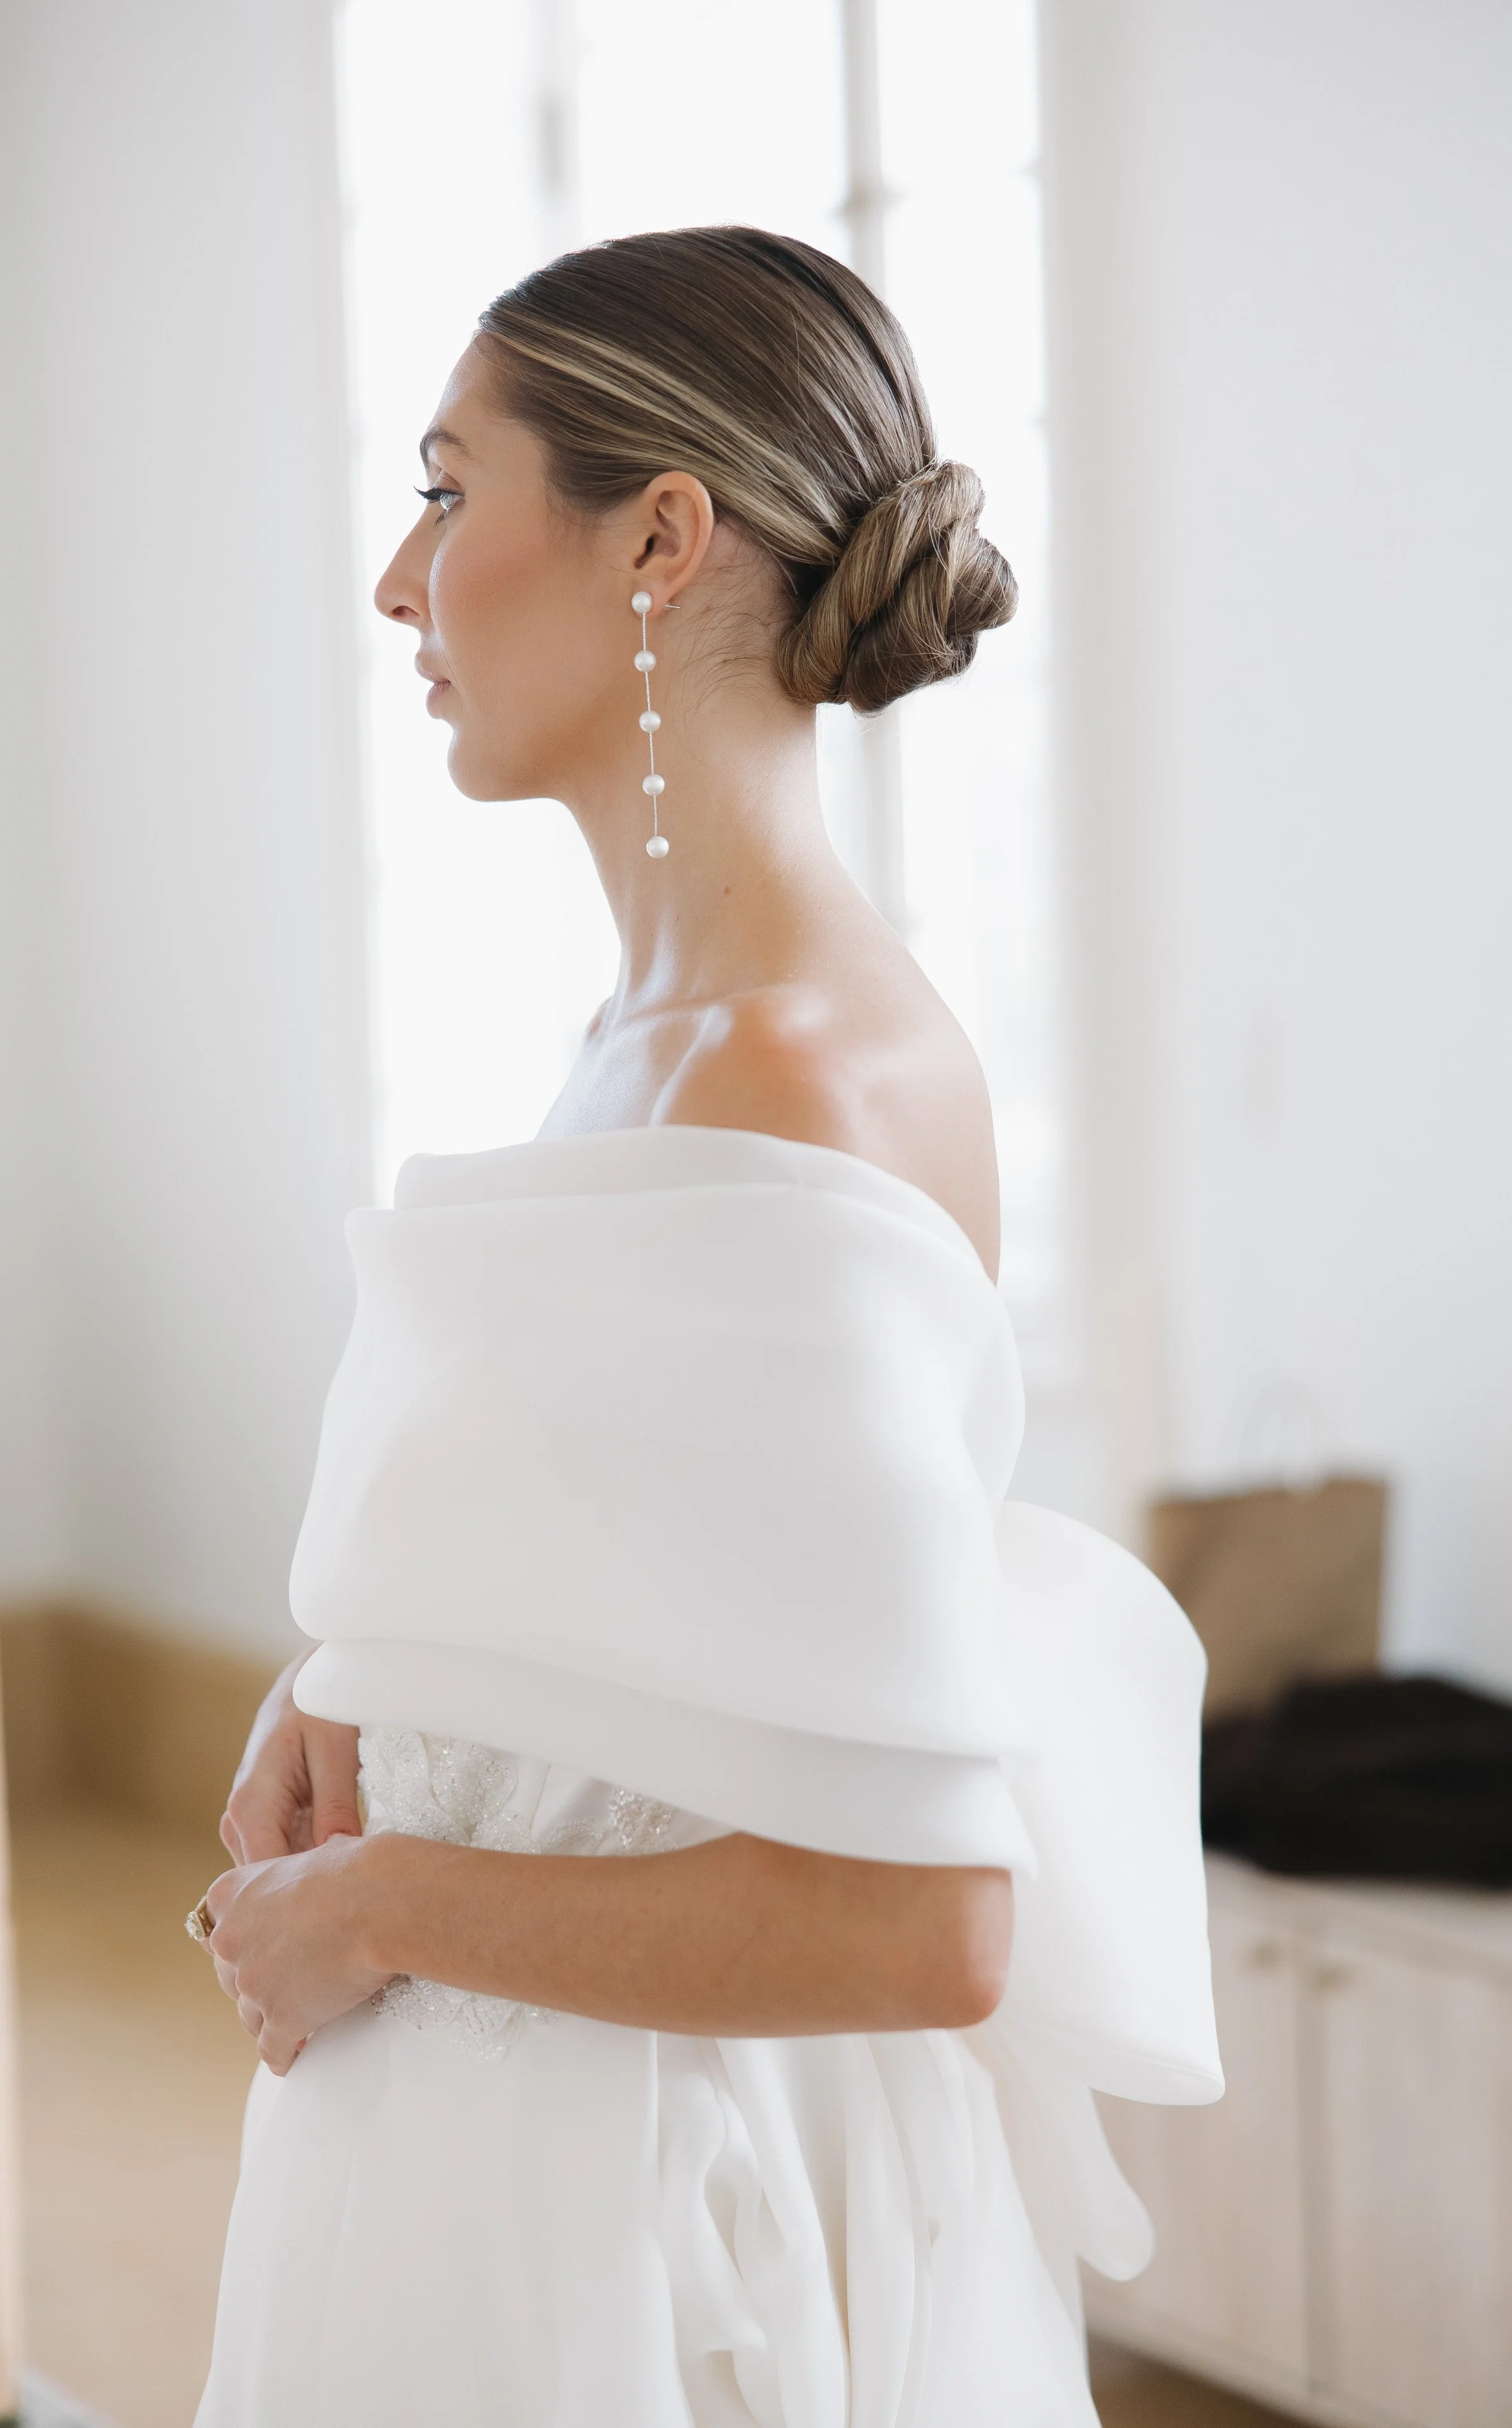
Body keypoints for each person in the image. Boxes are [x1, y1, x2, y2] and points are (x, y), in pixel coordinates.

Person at [192, 225, 1221, 2427]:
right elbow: (651, 1588)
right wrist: (349, 1682)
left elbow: (918, 1924)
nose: (399, 579)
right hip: (501, 2166)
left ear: (658, 535)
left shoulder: (794, 1075)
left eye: (450, 489)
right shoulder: (640, 1039)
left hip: (643, 2230)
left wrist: (379, 1905)